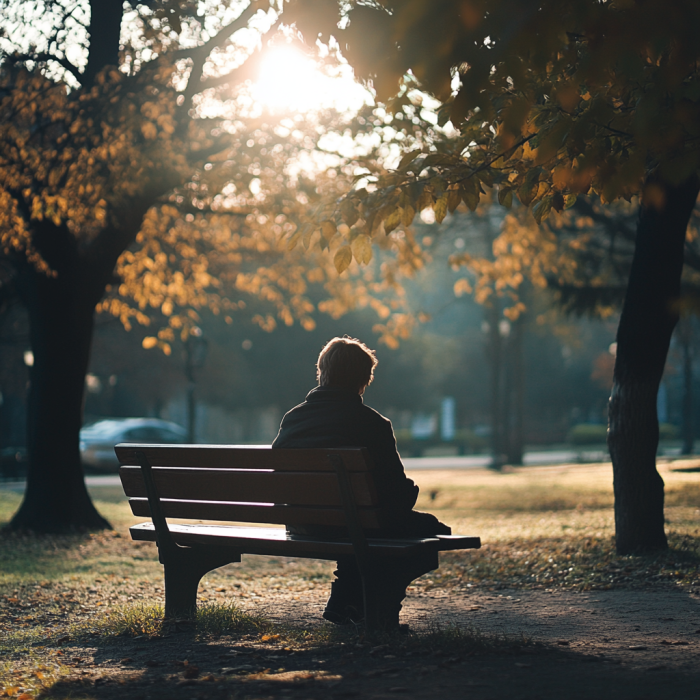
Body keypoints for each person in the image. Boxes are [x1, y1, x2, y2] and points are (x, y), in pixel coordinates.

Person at [272, 336, 451, 629]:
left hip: (303, 524)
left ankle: (346, 603)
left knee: (360, 527)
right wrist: (410, 494)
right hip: (352, 524)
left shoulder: (292, 419)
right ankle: (377, 614)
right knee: (431, 533)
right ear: (364, 378)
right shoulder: (372, 424)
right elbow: (395, 490)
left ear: (321, 372)